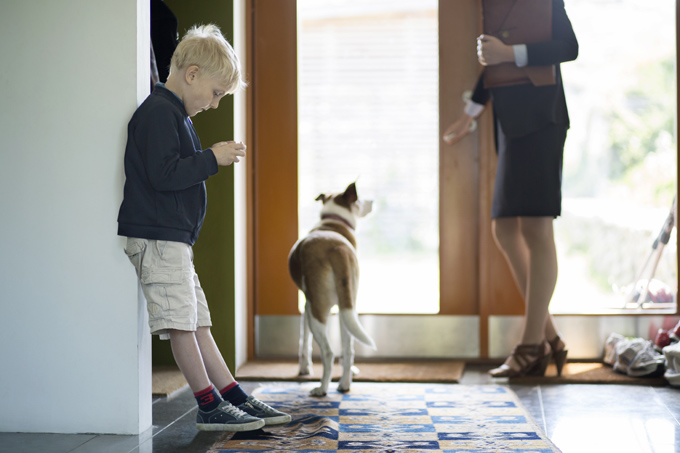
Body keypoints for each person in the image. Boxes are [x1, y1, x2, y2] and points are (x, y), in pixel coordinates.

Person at [118, 24, 291, 431]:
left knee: (198, 321)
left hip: (173, 239)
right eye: (215, 94)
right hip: (158, 237)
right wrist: (212, 158)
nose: (215, 105)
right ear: (191, 74)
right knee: (181, 322)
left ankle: (233, 394)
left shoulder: (175, 114)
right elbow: (164, 174)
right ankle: (208, 404)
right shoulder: (160, 113)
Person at [443, 0, 578, 378]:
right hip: (510, 124)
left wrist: (509, 52)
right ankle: (549, 336)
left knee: (536, 229)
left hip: (541, 122)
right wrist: (469, 114)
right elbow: (495, 67)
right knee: (504, 229)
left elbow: (569, 47)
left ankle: (532, 344)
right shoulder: (497, 7)